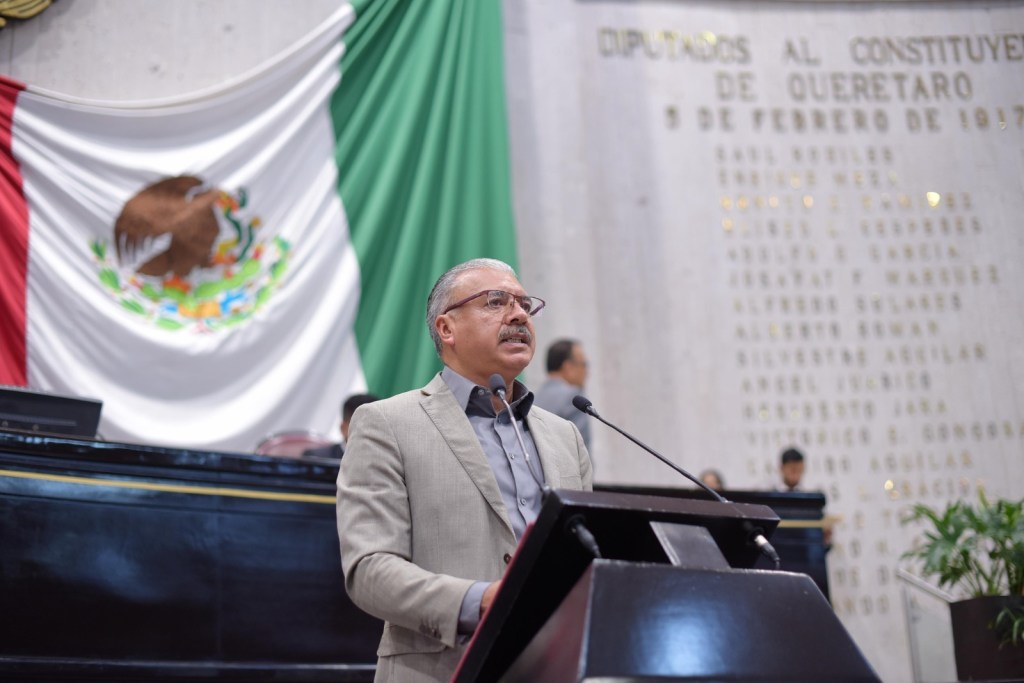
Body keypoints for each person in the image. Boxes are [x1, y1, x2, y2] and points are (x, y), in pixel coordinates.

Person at [336, 258, 593, 682]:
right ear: (446, 328)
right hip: (441, 669)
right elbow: (369, 570)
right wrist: (479, 600)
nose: (518, 315)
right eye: (496, 301)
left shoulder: (565, 435)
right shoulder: (387, 423)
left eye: (524, 304)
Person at [533, 339, 591, 449]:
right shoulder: (573, 398)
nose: (587, 372)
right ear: (568, 367)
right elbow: (581, 449)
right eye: (584, 364)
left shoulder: (534, 398)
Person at [302, 393, 380, 459]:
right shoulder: (316, 459)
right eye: (364, 426)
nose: (371, 432)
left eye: (376, 426)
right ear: (343, 428)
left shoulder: (385, 460)